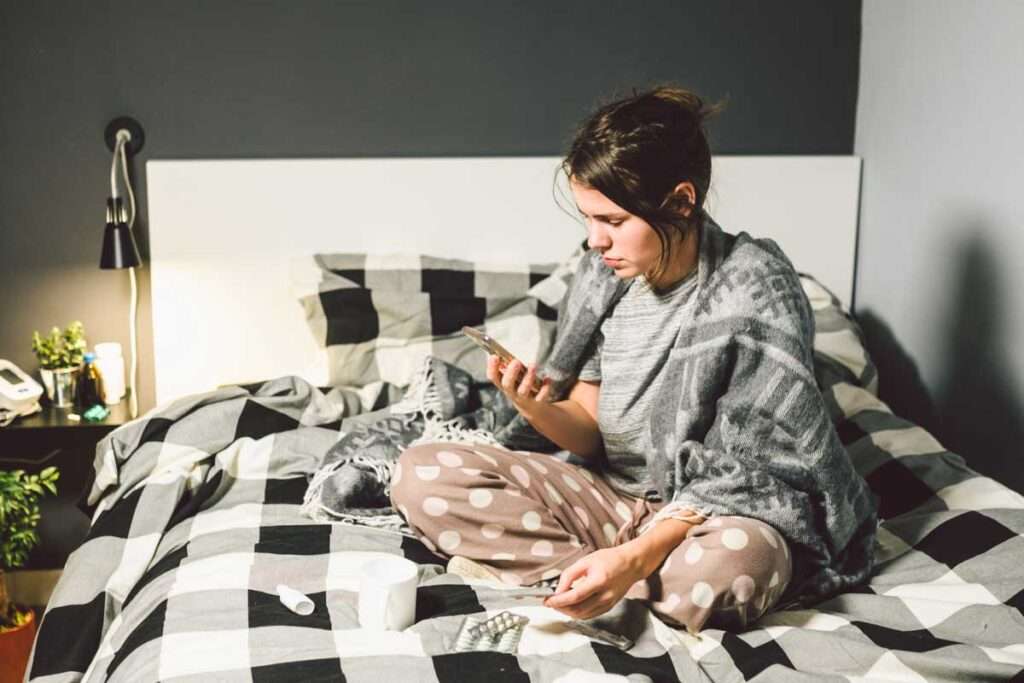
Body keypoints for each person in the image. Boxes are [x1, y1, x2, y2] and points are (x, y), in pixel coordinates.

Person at [390, 86, 877, 634]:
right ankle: (611, 580)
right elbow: (590, 435)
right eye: (588, 219)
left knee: (735, 569)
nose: (596, 241)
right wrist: (528, 405)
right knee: (420, 473)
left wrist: (642, 553)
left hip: (711, 517)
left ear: (681, 202)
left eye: (613, 221)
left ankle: (602, 577)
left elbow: (758, 472)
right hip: (610, 498)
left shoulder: (755, 289)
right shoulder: (604, 281)